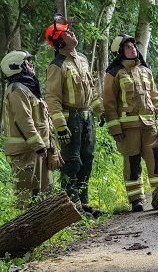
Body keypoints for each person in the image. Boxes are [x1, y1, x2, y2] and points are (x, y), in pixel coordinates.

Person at [44, 15, 104, 217]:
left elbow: (91, 89)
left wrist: (99, 111)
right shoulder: (57, 65)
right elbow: (52, 98)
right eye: (67, 33)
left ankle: (84, 202)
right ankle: (73, 206)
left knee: (87, 159)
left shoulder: (82, 60)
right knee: (72, 162)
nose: (72, 33)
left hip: (87, 117)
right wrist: (60, 125)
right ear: (60, 41)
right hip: (71, 118)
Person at [103, 34, 158, 212]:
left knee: (156, 161)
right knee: (132, 164)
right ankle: (136, 200)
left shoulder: (146, 71)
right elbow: (109, 104)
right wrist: (115, 128)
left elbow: (155, 98)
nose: (133, 48)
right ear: (120, 52)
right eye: (127, 46)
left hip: (149, 126)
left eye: (133, 45)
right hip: (128, 129)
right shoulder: (113, 74)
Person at [0, 50, 53, 209]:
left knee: (45, 192)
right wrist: (39, 145)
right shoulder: (17, 90)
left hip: (37, 150)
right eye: (26, 63)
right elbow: (24, 121)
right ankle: (23, 230)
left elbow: (44, 121)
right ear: (16, 67)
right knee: (26, 195)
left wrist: (51, 146)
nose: (31, 65)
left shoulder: (28, 88)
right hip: (24, 152)